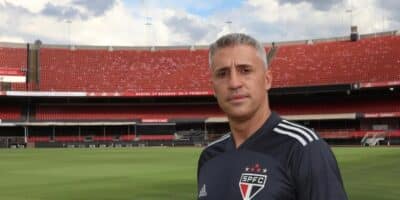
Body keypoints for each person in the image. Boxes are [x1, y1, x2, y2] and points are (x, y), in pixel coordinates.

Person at [197, 33, 348, 200]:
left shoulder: (303, 149)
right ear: (213, 88)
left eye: (245, 70)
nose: (234, 83)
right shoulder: (209, 156)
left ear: (267, 79)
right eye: (222, 74)